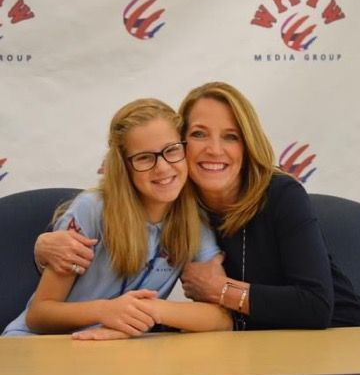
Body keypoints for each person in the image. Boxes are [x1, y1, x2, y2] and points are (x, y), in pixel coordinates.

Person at [33, 82, 360, 336]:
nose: (214, 149)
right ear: (182, 144)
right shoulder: (180, 202)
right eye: (199, 134)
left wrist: (218, 291)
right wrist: (43, 246)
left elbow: (313, 308)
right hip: (252, 345)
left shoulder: (280, 194)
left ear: (247, 144)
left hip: (333, 337)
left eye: (231, 136)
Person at [2, 98, 232, 338]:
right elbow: (39, 315)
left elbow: (220, 319)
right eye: (144, 157)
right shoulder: (91, 210)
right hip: (42, 345)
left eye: (171, 150)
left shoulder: (194, 219)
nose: (163, 168)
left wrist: (150, 309)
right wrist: (104, 311)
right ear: (124, 166)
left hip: (112, 350)